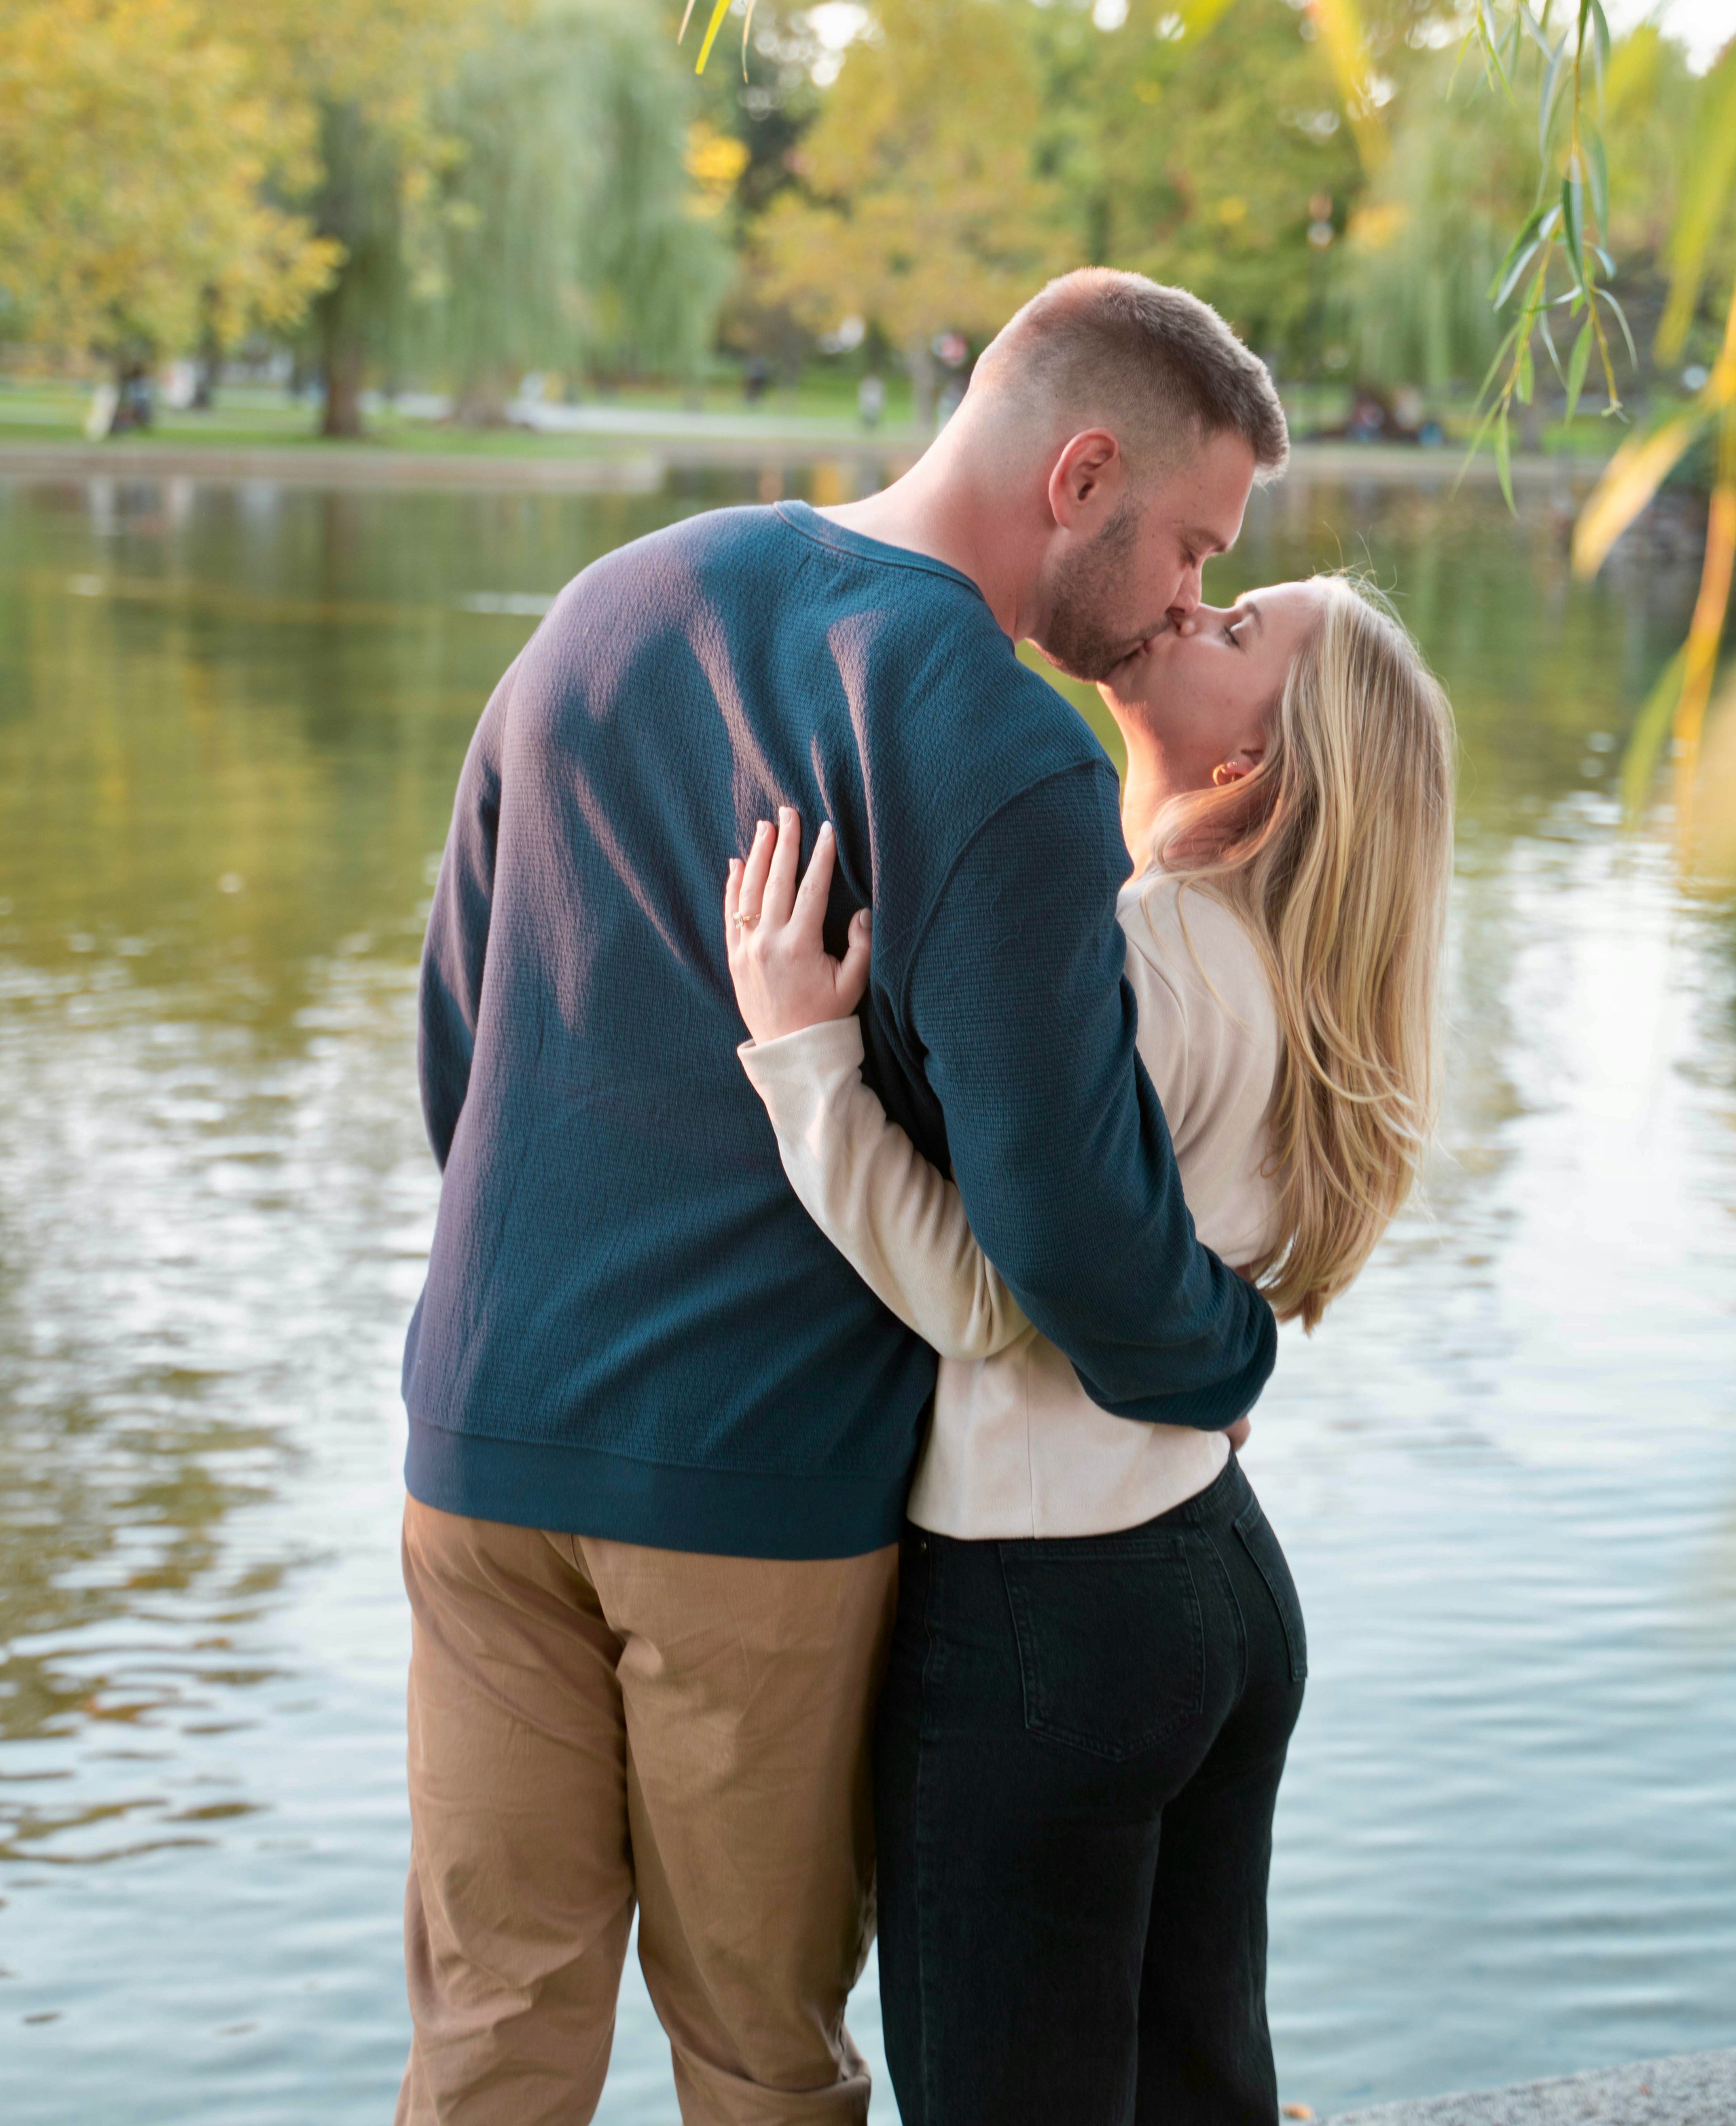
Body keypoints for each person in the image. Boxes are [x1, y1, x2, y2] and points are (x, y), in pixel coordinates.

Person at [397, 269, 1286, 2123]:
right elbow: (1064, 1221)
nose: (1188, 598)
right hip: (754, 1486)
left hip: (478, 1448)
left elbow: (457, 1040)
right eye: (1193, 543)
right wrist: (1225, 1347)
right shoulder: (991, 733)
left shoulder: (614, 598)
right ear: (1084, 471)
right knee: (762, 2054)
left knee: (492, 2034)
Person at [725, 571, 1455, 2126]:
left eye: (1234, 629)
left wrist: (803, 1062)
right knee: (1199, 2086)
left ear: (1251, 763)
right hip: (1216, 1580)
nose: (1190, 614)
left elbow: (988, 1295)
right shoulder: (1296, 978)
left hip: (1047, 1606)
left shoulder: (1144, 950)